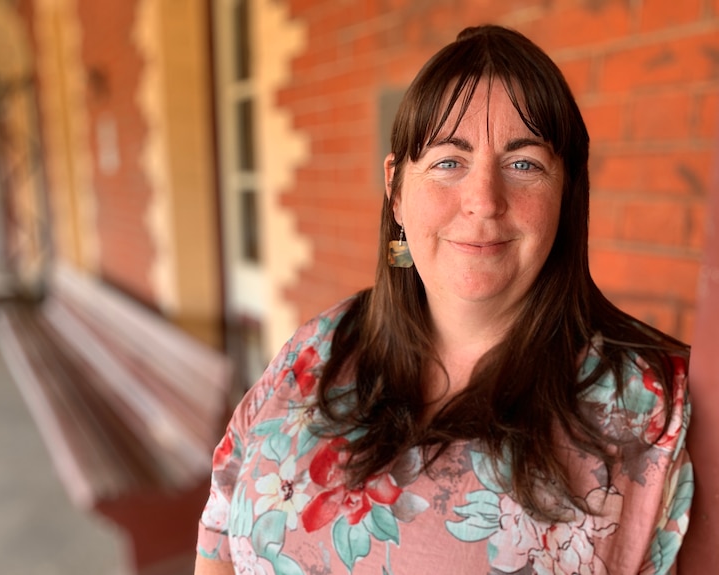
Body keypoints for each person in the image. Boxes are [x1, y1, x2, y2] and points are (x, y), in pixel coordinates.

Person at [195, 24, 692, 575]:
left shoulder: (652, 407)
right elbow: (219, 526)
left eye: (523, 163)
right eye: (448, 162)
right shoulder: (320, 343)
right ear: (396, 189)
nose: (483, 201)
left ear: (567, 193)